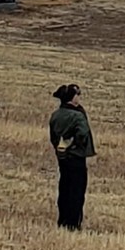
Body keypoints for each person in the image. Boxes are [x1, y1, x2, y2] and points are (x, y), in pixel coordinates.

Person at [49, 84, 96, 231]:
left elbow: (53, 137)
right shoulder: (77, 116)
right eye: (78, 94)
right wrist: (75, 145)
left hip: (62, 157)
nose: (79, 97)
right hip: (76, 157)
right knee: (76, 190)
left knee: (64, 187)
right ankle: (73, 224)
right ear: (72, 97)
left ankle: (62, 220)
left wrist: (61, 147)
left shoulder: (56, 115)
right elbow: (82, 134)